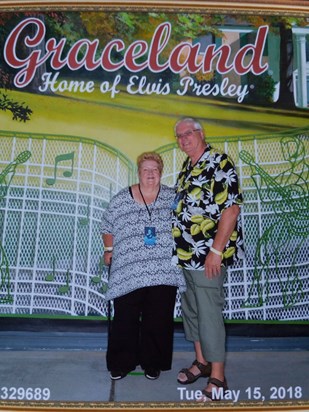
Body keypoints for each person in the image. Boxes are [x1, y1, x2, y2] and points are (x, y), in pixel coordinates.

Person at [171, 118, 244, 401]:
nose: (183, 139)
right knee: (192, 311)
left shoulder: (219, 162)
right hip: (185, 256)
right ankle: (201, 362)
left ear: (201, 134)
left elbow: (231, 210)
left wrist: (216, 251)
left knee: (210, 315)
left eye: (188, 134)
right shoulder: (187, 167)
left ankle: (218, 376)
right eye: (178, 136)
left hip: (207, 257)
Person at [101, 151, 186, 381]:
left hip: (163, 271)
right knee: (125, 318)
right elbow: (107, 225)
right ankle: (121, 363)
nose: (150, 174)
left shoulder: (173, 197)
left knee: (158, 318)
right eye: (145, 170)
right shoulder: (121, 198)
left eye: (155, 170)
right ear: (138, 172)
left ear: (161, 173)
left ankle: (153, 362)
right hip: (128, 270)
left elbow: (189, 222)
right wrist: (109, 250)